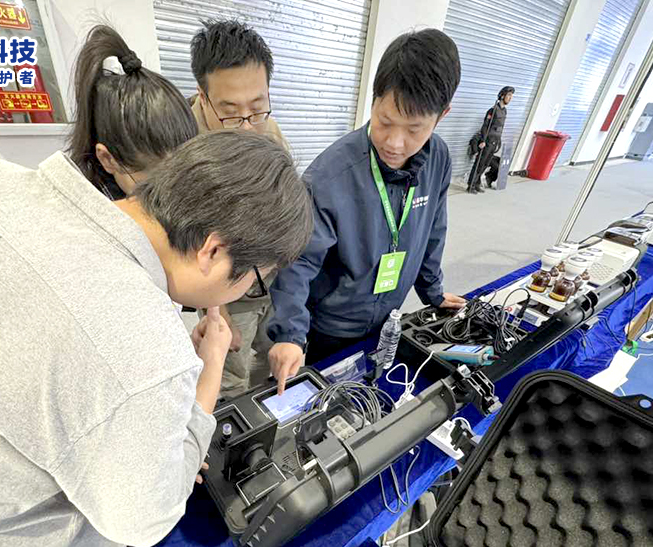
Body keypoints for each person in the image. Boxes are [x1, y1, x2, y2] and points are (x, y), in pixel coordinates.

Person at [0, 129, 311, 547]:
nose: (246, 293)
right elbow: (146, 516)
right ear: (213, 251)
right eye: (255, 282)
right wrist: (209, 365)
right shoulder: (140, 351)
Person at [267, 29, 466, 393]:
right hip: (332, 327)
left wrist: (433, 291)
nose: (395, 143)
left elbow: (434, 228)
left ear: (441, 116)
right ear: (374, 100)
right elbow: (297, 262)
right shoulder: (329, 176)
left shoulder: (438, 157)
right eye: (385, 121)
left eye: (414, 129)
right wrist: (290, 334)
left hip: (389, 317)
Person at [189, 19, 289, 397]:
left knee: (272, 362)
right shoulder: (179, 147)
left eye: (257, 108)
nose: (247, 127)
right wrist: (216, 310)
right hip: (225, 291)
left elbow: (286, 205)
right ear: (203, 96)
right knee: (229, 378)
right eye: (230, 112)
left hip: (270, 280)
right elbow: (181, 244)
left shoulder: (269, 131)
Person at [67, 25, 194, 201]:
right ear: (107, 159)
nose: (171, 195)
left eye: (182, 175)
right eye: (153, 189)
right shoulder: (86, 207)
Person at [467, 85, 514, 194]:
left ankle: (477, 184)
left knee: (485, 164)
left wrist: (498, 141)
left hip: (495, 142)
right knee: (479, 163)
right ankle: (471, 185)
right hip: (487, 141)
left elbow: (500, 128)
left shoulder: (504, 111)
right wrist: (482, 140)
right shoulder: (493, 110)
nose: (510, 98)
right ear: (502, 96)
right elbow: (485, 126)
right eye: (508, 95)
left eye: (511, 96)